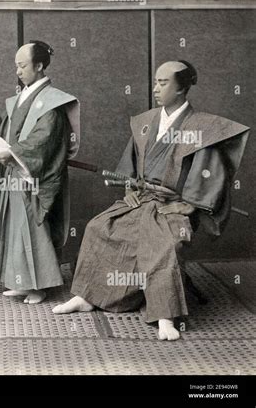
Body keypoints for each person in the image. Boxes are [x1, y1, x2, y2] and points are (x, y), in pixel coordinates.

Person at [53, 61, 250, 340]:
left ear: (182, 88)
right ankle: (88, 296)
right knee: (99, 227)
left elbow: (209, 171)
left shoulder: (202, 127)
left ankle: (165, 315)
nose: (156, 88)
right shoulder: (146, 122)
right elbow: (129, 168)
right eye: (156, 81)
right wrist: (129, 188)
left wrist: (191, 203)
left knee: (162, 243)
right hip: (143, 197)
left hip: (173, 205)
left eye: (163, 83)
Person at [0, 41, 80, 304]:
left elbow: (43, 141)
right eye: (16, 66)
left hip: (32, 175)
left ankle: (38, 286)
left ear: (39, 65)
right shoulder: (18, 99)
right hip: (14, 172)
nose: (18, 72)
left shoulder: (52, 103)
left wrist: (13, 153)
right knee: (13, 228)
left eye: (22, 66)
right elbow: (5, 132)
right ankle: (20, 281)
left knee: (31, 230)